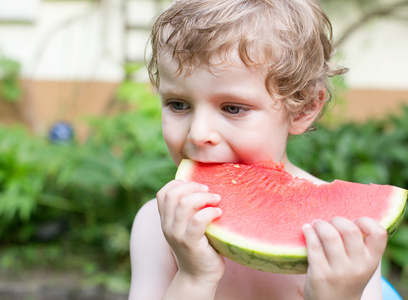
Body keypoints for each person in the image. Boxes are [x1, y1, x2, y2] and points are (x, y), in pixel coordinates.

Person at [129, 0, 388, 299]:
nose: (198, 134)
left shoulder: (344, 232)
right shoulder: (156, 226)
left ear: (303, 108)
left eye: (233, 108)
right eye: (178, 104)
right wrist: (193, 277)